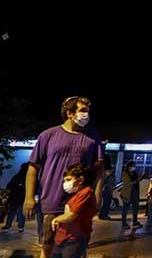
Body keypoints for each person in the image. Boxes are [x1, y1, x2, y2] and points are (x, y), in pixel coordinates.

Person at [25, 96, 104, 258]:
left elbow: (99, 170)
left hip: (79, 203)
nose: (86, 115)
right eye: (82, 111)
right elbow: (33, 168)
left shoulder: (93, 137)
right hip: (51, 201)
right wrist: (29, 198)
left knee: (77, 247)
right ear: (69, 113)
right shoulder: (48, 135)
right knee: (48, 246)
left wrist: (97, 196)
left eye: (88, 111)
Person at [49, 163, 97, 258]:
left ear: (80, 180)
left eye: (68, 180)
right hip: (63, 237)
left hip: (74, 239)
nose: (65, 184)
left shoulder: (86, 192)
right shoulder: (76, 194)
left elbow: (71, 215)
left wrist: (57, 219)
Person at [2, 163, 28, 233]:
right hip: (22, 198)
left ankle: (8, 226)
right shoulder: (27, 177)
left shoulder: (17, 176)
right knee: (21, 213)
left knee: (12, 213)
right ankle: (21, 226)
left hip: (14, 197)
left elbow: (9, 185)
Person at [120, 161, 144, 230]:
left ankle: (135, 221)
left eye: (134, 166)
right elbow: (127, 184)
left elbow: (136, 181)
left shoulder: (135, 173)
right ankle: (124, 223)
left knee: (135, 208)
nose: (133, 167)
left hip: (135, 193)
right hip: (127, 193)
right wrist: (138, 180)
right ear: (128, 166)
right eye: (131, 166)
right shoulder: (125, 173)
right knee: (125, 208)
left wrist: (140, 179)